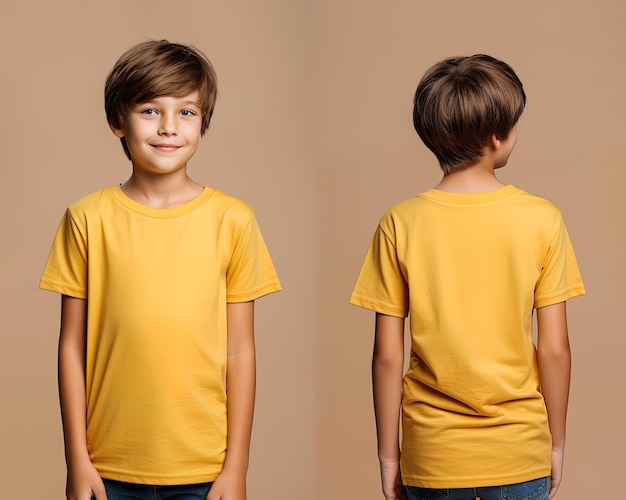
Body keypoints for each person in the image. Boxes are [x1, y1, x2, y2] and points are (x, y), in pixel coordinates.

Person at [40, 40, 281, 500]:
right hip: (107, 470)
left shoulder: (234, 220)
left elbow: (240, 352)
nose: (169, 127)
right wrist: (77, 461)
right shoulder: (86, 219)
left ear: (203, 124)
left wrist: (237, 468)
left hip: (204, 472)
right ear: (117, 121)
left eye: (186, 112)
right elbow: (71, 348)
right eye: (150, 110)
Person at [350, 55, 585, 500]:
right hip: (518, 449)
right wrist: (555, 442)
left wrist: (388, 456)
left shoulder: (399, 222)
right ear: (497, 136)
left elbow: (386, 355)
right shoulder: (542, 219)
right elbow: (555, 349)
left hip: (432, 454)